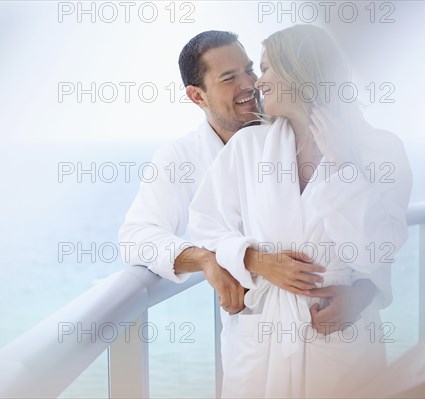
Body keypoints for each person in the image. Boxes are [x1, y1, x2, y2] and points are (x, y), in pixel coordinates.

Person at [188, 25, 412, 398]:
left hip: (337, 334)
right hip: (261, 339)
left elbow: (379, 247)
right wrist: (253, 259)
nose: (257, 83)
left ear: (301, 69)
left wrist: (343, 167)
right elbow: (206, 223)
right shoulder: (249, 146)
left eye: (266, 68)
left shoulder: (379, 150)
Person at [119, 30, 382, 332]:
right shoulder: (181, 157)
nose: (250, 84)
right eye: (229, 78)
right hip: (255, 328)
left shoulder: (306, 135)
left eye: (250, 69)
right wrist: (210, 259)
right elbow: (136, 237)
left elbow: (374, 237)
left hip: (330, 325)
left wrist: (361, 295)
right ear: (197, 95)